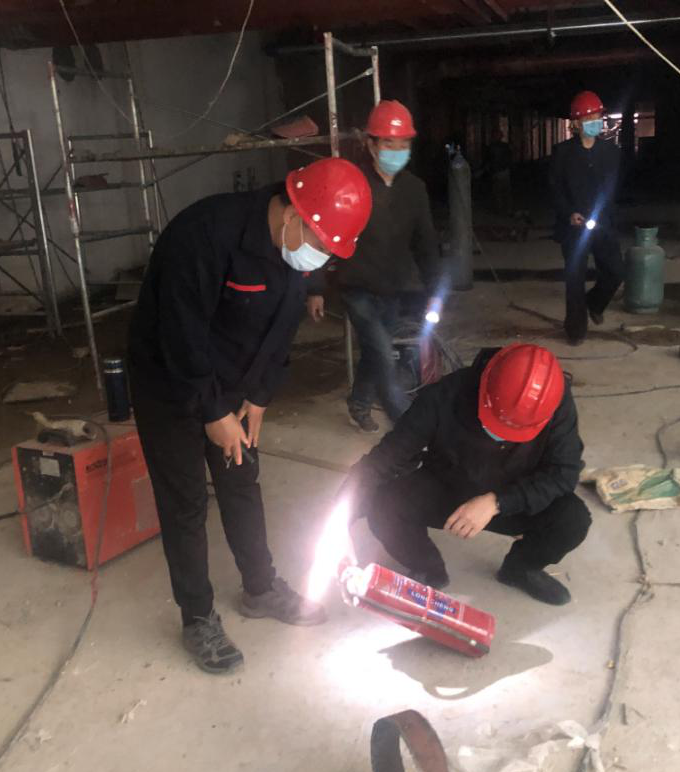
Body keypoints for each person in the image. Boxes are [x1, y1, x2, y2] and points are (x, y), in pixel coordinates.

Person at [128, 157, 372, 674]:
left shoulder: (293, 253)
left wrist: (259, 395)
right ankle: (197, 617)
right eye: (321, 244)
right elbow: (179, 332)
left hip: (235, 385)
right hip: (168, 382)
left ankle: (260, 589)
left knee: (242, 480)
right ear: (294, 215)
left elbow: (281, 331)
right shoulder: (204, 234)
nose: (320, 258)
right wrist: (211, 411)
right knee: (185, 501)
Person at [344, 343, 591, 606]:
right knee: (383, 505)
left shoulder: (552, 400)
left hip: (514, 495)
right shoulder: (443, 396)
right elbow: (385, 459)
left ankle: (520, 569)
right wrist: (341, 518)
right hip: (450, 485)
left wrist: (497, 502)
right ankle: (428, 569)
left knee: (572, 520)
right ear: (485, 387)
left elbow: (564, 472)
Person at [306, 99, 441, 434]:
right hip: (356, 286)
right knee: (383, 353)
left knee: (373, 351)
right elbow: (326, 235)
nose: (397, 151)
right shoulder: (352, 184)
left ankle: (359, 404)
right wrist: (315, 288)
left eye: (403, 144)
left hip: (392, 287)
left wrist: (435, 292)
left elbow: (426, 244)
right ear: (371, 144)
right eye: (389, 143)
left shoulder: (414, 190)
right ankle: (408, 425)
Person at [549, 90, 624, 345]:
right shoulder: (562, 153)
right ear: (577, 123)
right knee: (574, 280)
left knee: (615, 272)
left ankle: (594, 303)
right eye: (589, 118)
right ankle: (575, 330)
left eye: (598, 117)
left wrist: (608, 216)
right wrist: (568, 213)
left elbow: (613, 189)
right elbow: (555, 189)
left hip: (603, 224)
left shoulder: (611, 152)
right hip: (574, 227)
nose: (595, 122)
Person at [485, 130, 513, 215]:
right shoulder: (505, 146)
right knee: (504, 192)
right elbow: (509, 158)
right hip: (503, 171)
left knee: (498, 192)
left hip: (498, 171)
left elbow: (489, 159)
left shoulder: (492, 147)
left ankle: (501, 209)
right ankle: (505, 209)